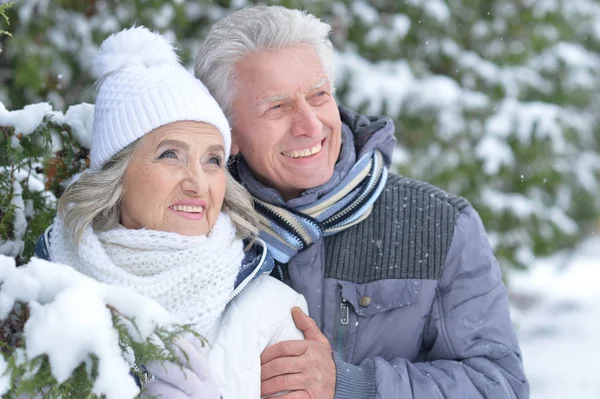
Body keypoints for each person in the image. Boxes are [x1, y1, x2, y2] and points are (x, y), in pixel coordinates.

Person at [194, 5, 530, 398]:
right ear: (227, 131)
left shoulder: (439, 225)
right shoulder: (200, 224)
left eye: (318, 96)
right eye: (277, 106)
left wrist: (354, 385)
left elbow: (499, 386)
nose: (310, 125)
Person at [34, 26, 308, 399]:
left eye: (212, 160)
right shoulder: (41, 291)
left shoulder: (273, 312)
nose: (198, 182)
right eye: (170, 155)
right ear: (117, 174)